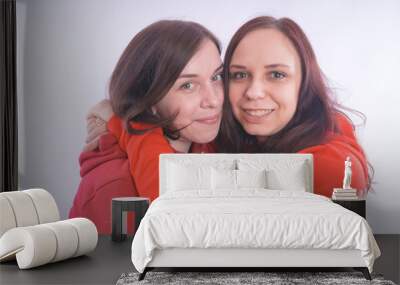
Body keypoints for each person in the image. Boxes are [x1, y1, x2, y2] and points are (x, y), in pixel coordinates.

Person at [80, 16, 371, 206]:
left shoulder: (333, 164)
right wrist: (130, 121)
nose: (254, 92)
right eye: (238, 75)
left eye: (277, 75)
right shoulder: (213, 135)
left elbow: (181, 206)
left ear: (304, 84)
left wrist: (127, 124)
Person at [69, 20, 224, 233]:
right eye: (187, 85)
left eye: (216, 77)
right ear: (149, 99)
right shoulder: (116, 186)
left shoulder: (204, 148)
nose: (214, 100)